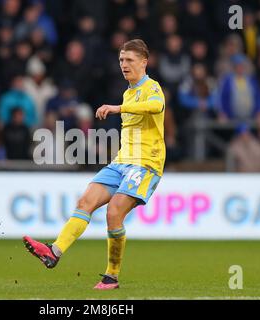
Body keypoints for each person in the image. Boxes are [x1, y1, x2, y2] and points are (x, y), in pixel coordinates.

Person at [23, 39, 166, 290]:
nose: (124, 64)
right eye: (121, 59)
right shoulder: (129, 91)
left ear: (144, 62)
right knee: (85, 202)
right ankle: (53, 252)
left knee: (113, 213)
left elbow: (157, 106)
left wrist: (117, 108)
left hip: (145, 164)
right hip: (121, 162)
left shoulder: (151, 88)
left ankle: (111, 276)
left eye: (129, 60)